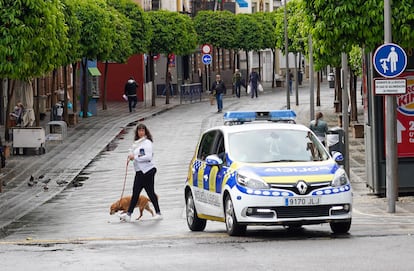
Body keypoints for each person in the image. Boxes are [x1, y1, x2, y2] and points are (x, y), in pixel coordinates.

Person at [120, 123, 162, 222]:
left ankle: (158, 213)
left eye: (143, 130)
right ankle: (129, 214)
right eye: (139, 130)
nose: (141, 132)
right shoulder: (137, 143)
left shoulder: (147, 143)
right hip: (139, 171)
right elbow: (133, 151)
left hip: (147, 171)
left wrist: (135, 157)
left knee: (149, 192)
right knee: (136, 193)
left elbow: (148, 157)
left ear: (145, 132)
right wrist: (131, 155)